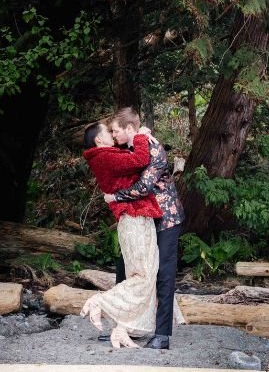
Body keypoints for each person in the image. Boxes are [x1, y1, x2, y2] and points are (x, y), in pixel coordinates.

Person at [102, 108, 185, 352]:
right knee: (125, 267)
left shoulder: (154, 148)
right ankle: (126, 325)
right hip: (140, 219)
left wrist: (114, 197)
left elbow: (144, 186)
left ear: (129, 129)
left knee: (163, 274)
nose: (113, 134)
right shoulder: (127, 148)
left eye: (116, 130)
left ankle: (162, 334)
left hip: (165, 218)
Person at [80, 121, 160, 350]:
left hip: (137, 216)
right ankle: (99, 302)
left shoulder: (108, 154)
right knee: (142, 276)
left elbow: (131, 163)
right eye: (109, 131)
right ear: (99, 139)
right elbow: (139, 160)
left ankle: (123, 328)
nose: (113, 135)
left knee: (147, 274)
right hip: (133, 218)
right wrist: (142, 136)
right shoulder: (103, 156)